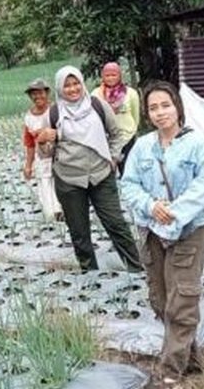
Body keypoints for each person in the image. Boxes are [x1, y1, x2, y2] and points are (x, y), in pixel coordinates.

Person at [119, 81, 204, 386]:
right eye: (153, 108)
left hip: (189, 230)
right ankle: (191, 359)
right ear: (147, 114)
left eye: (166, 105)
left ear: (177, 107)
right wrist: (151, 206)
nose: (160, 112)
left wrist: (174, 211)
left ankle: (170, 369)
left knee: (183, 299)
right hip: (152, 230)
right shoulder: (142, 146)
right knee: (160, 298)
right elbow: (128, 184)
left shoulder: (197, 144)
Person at [34, 65, 142, 272]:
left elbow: (116, 134)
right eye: (67, 86)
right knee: (79, 232)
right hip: (69, 179)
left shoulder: (97, 105)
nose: (73, 89)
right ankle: (89, 273)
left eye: (76, 83)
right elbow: (46, 153)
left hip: (101, 174)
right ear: (59, 88)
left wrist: (113, 158)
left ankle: (137, 268)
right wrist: (42, 141)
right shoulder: (53, 114)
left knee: (116, 224)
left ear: (82, 83)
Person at [20, 78, 63, 222]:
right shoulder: (29, 118)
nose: (37, 96)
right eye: (33, 94)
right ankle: (50, 216)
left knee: (59, 186)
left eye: (40, 93)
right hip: (42, 158)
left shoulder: (55, 111)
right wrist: (28, 165)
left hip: (59, 157)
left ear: (47, 93)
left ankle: (60, 213)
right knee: (44, 186)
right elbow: (30, 144)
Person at [92, 61, 142, 165]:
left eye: (114, 75)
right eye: (107, 75)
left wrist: (133, 130)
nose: (110, 78)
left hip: (127, 136)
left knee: (128, 166)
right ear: (102, 76)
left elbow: (135, 115)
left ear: (120, 75)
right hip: (106, 139)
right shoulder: (95, 94)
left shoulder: (131, 93)